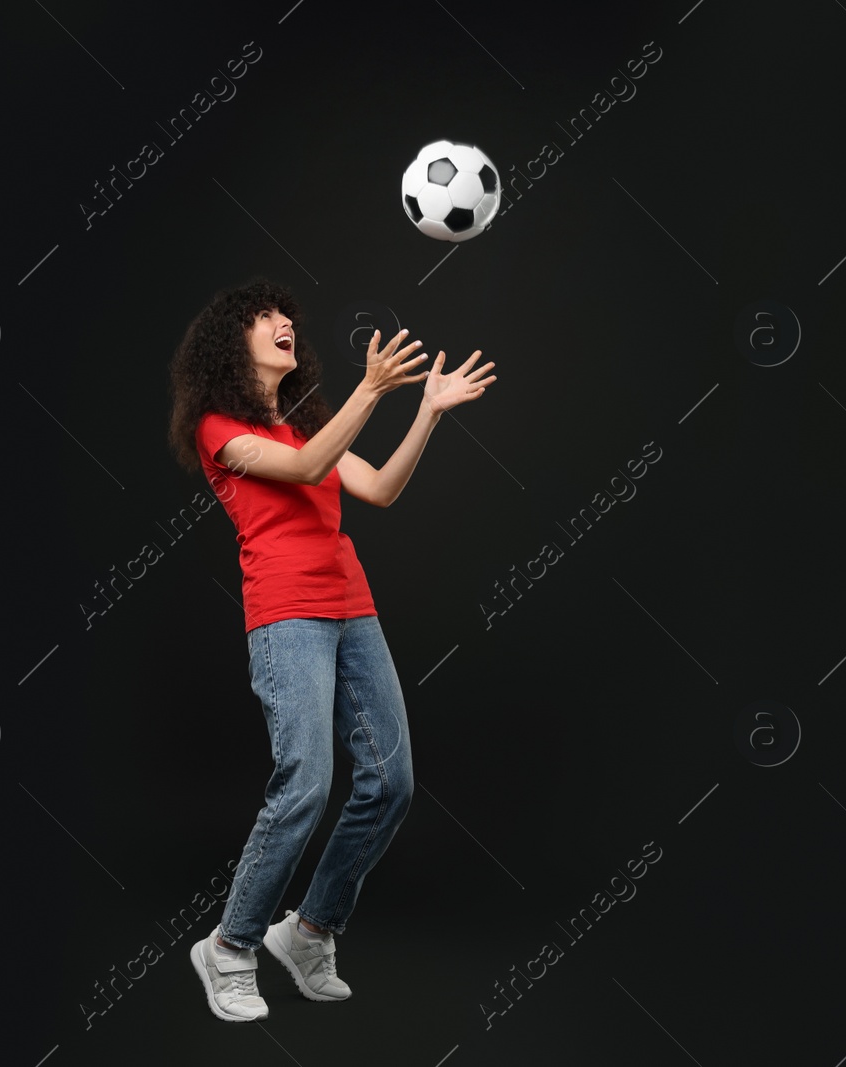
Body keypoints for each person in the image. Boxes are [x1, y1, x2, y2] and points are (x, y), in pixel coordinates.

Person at [166, 277, 497, 1021]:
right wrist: (372, 390)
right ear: (230, 344)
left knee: (392, 782)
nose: (284, 322)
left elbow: (377, 487)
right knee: (306, 784)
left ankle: (310, 930)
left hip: (354, 609)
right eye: (264, 317)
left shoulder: (303, 422)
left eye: (287, 315)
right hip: (288, 618)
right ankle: (230, 946)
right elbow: (309, 468)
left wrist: (427, 412)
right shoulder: (219, 428)